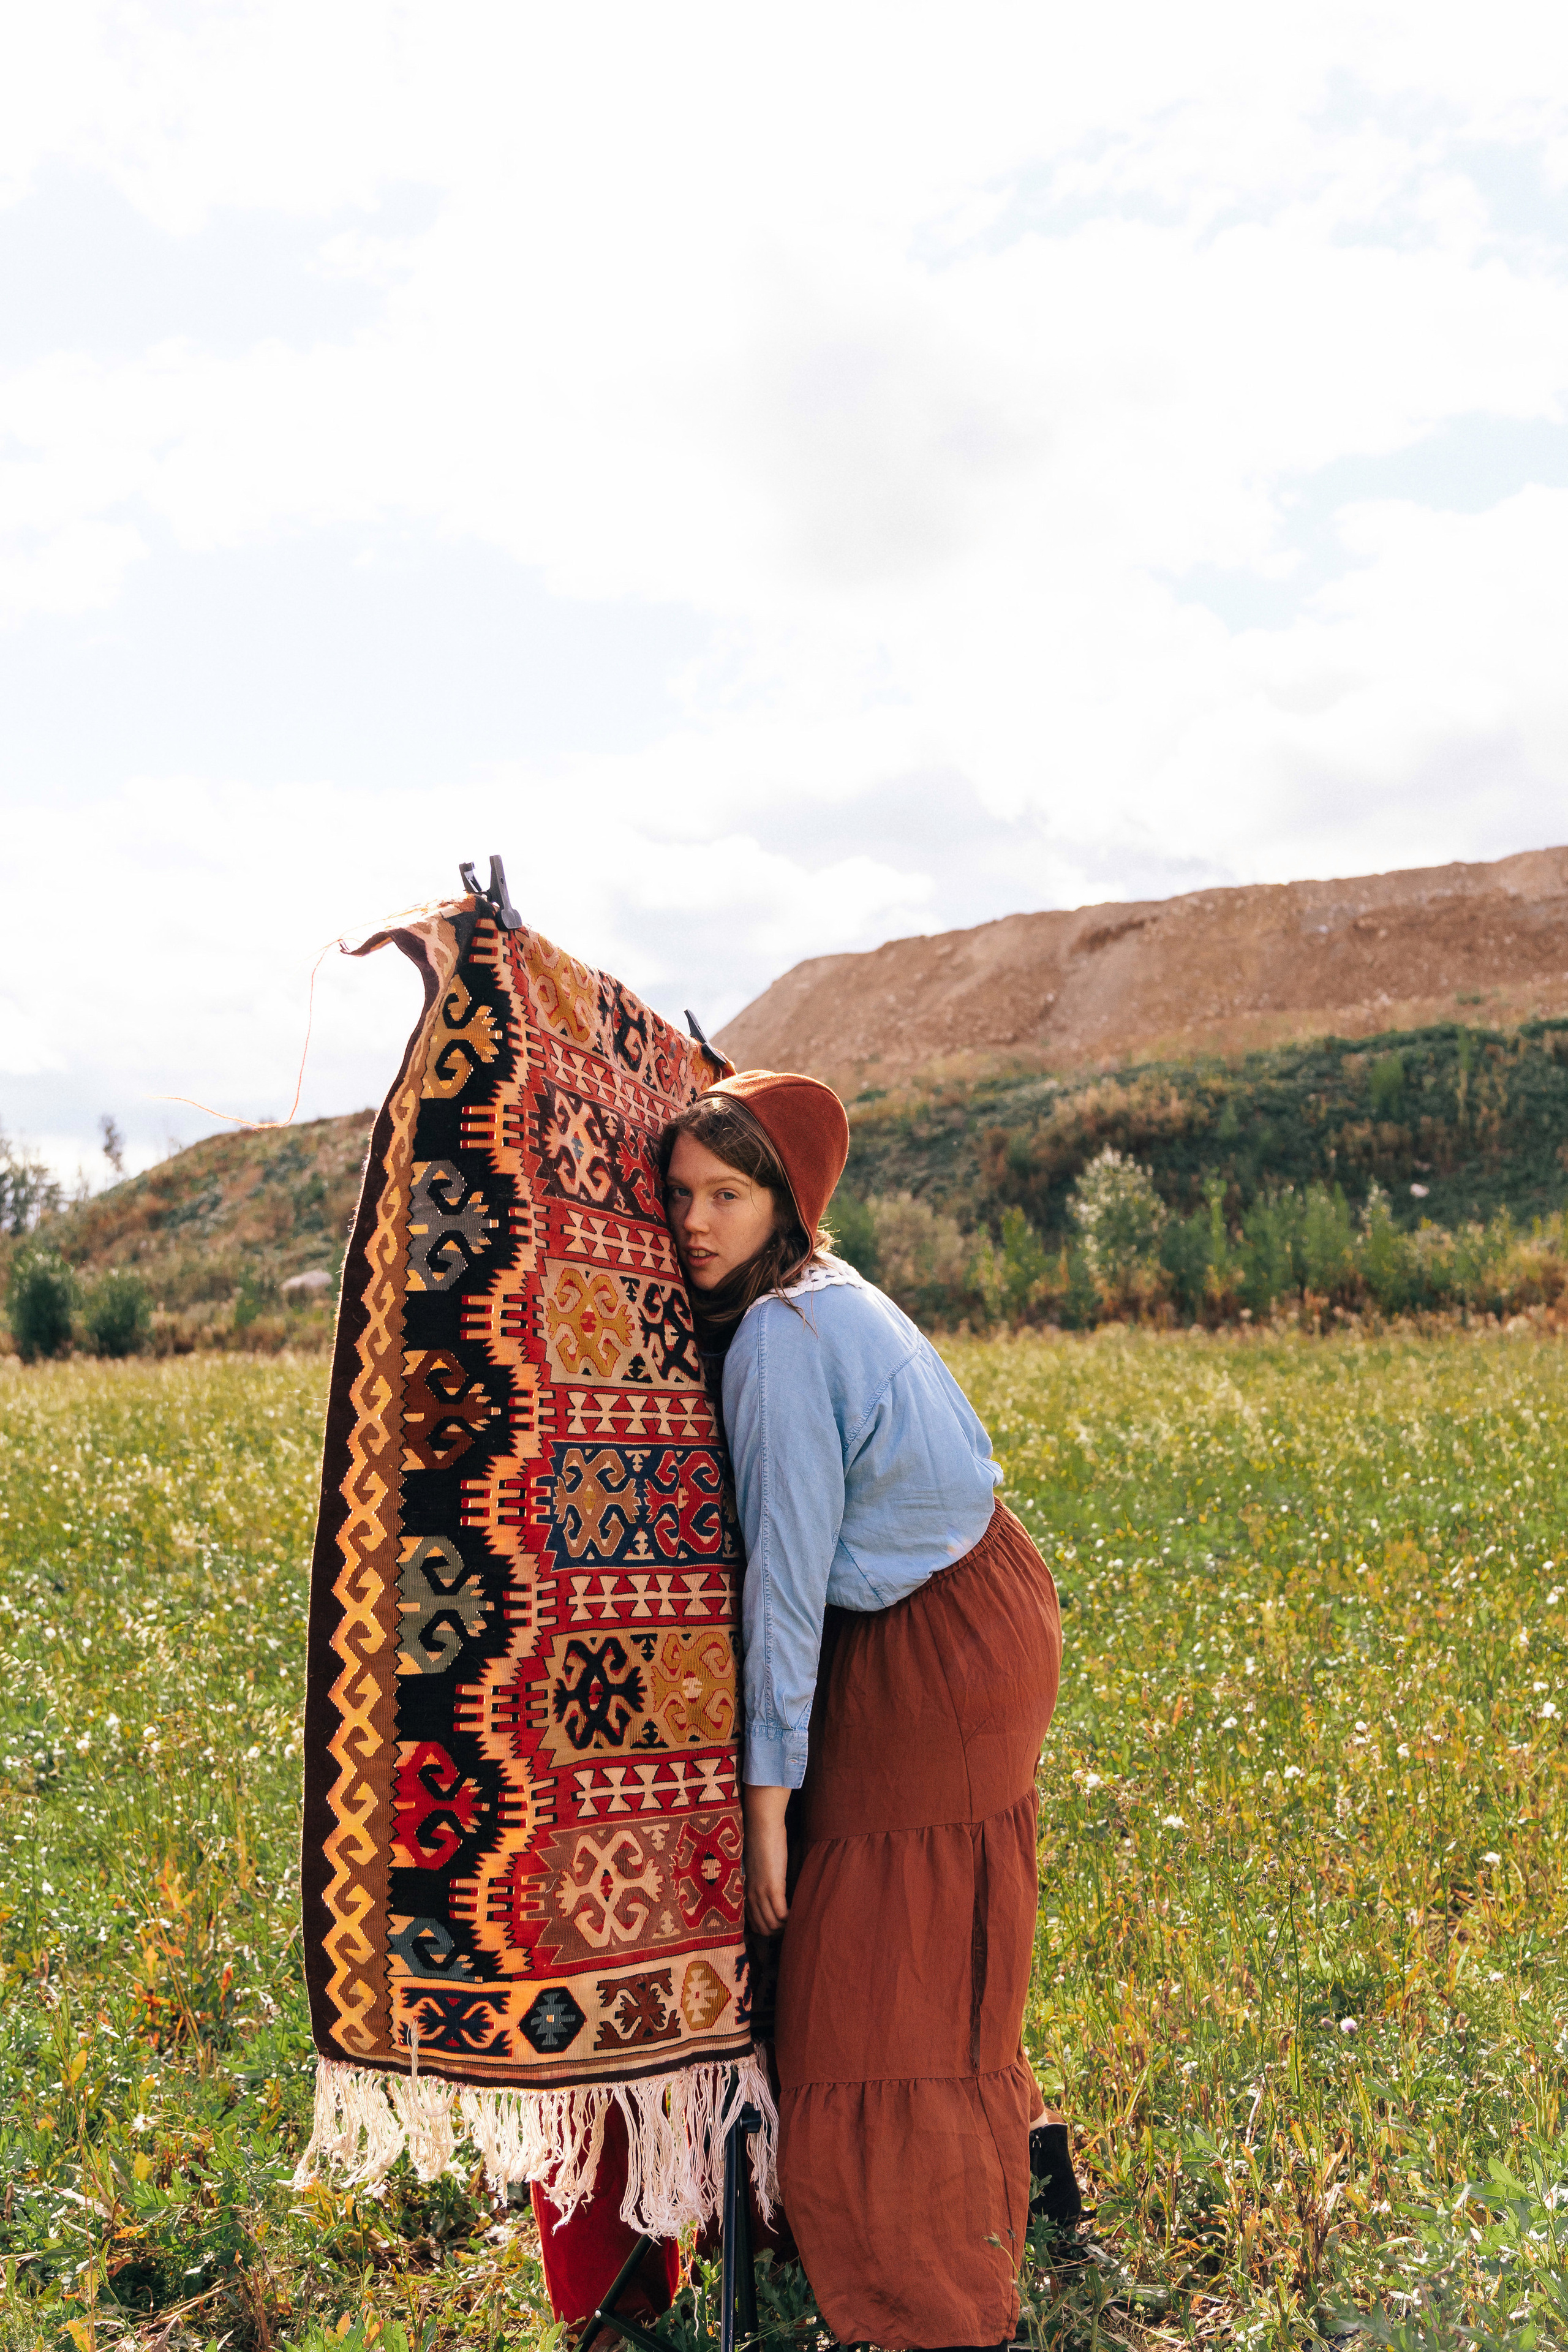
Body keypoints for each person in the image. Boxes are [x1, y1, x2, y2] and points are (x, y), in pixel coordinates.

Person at [655, 1068, 1069, 2352]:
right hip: (971, 1600)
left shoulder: (782, 1338)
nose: (695, 1223)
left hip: (930, 1643)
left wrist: (764, 1811)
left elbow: (780, 1590)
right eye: (679, 1196)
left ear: (787, 1201)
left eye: (728, 1193)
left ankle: (926, 2297)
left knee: (865, 1979)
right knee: (928, 1944)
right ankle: (1011, 2177)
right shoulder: (819, 1296)